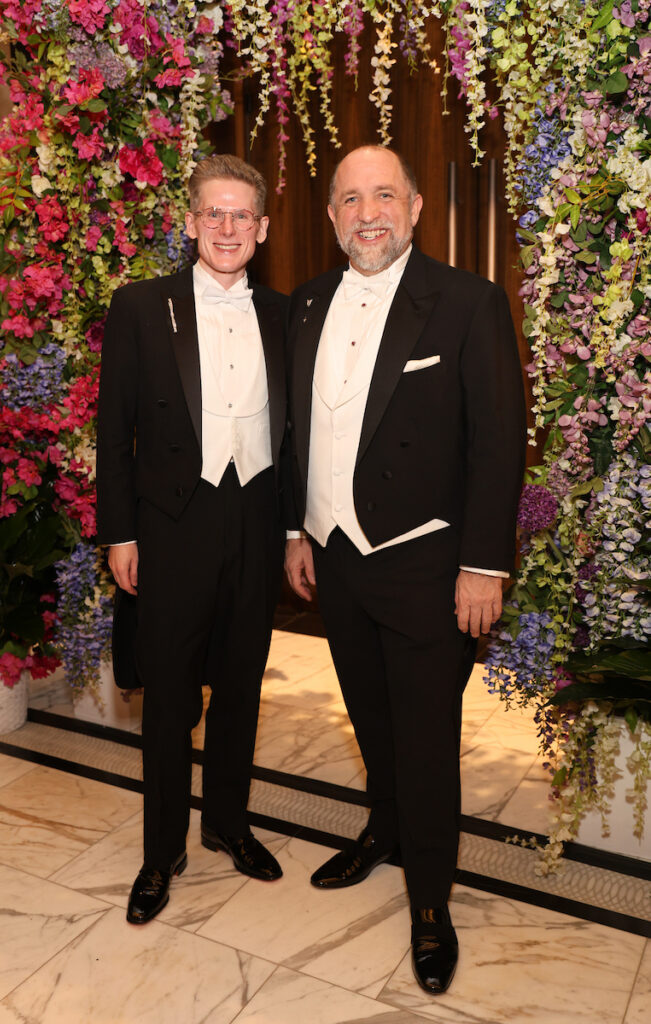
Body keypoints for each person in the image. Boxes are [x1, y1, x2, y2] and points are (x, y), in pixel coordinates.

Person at [284, 145, 525, 993]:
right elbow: (295, 433)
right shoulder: (308, 303)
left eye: (383, 194)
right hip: (335, 558)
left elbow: (497, 444)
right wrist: (296, 529)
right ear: (331, 217)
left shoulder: (467, 302)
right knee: (369, 717)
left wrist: (483, 565)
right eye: (349, 199)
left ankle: (429, 901)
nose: (367, 212)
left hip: (426, 563)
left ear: (416, 206)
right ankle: (380, 831)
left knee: (424, 742)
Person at [97, 154, 287, 925]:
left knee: (242, 683)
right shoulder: (141, 306)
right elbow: (114, 431)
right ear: (189, 222)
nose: (227, 227)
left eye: (242, 214)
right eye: (214, 212)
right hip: (172, 523)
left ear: (263, 227)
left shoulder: (285, 312)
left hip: (257, 517)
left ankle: (228, 824)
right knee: (171, 696)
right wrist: (119, 533)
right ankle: (159, 851)